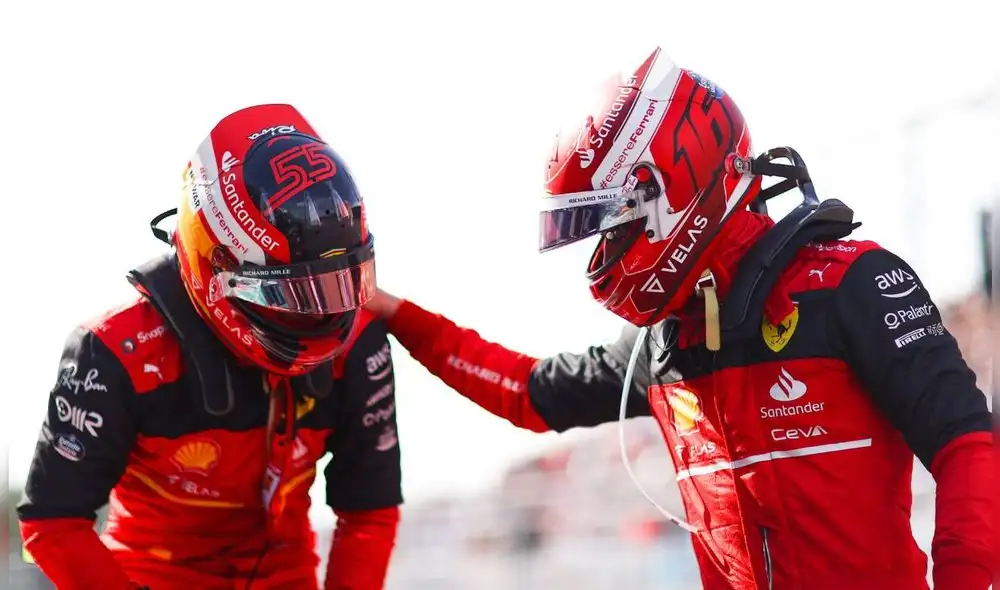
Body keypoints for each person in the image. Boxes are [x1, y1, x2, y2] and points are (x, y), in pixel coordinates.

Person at [365, 48, 995, 590]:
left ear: (670, 190)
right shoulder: (658, 345)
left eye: (614, 224)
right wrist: (393, 312)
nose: (604, 250)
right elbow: (526, 393)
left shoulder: (852, 284)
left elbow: (967, 445)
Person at [18, 104, 403, 590]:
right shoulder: (114, 351)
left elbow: (369, 512)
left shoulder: (359, 342)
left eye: (336, 285)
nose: (321, 316)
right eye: (292, 295)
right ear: (216, 267)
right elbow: (52, 522)